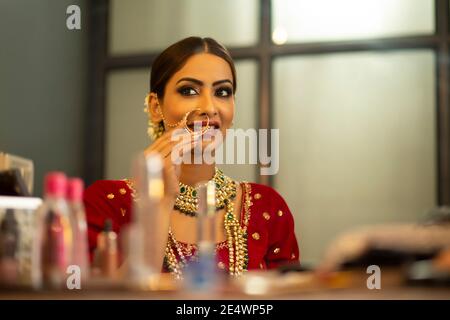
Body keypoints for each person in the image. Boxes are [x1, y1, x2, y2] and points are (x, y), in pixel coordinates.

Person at [84, 37, 300, 278]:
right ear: (156, 107)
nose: (209, 107)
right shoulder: (107, 202)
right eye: (189, 90)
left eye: (222, 92)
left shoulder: (266, 206)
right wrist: (158, 200)